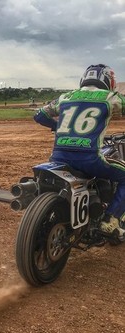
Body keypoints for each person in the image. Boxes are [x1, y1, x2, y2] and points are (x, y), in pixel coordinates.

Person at [33, 64, 125, 238]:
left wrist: (59, 127)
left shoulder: (66, 97)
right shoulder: (109, 97)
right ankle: (110, 220)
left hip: (58, 158)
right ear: (108, 81)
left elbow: (39, 115)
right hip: (90, 159)